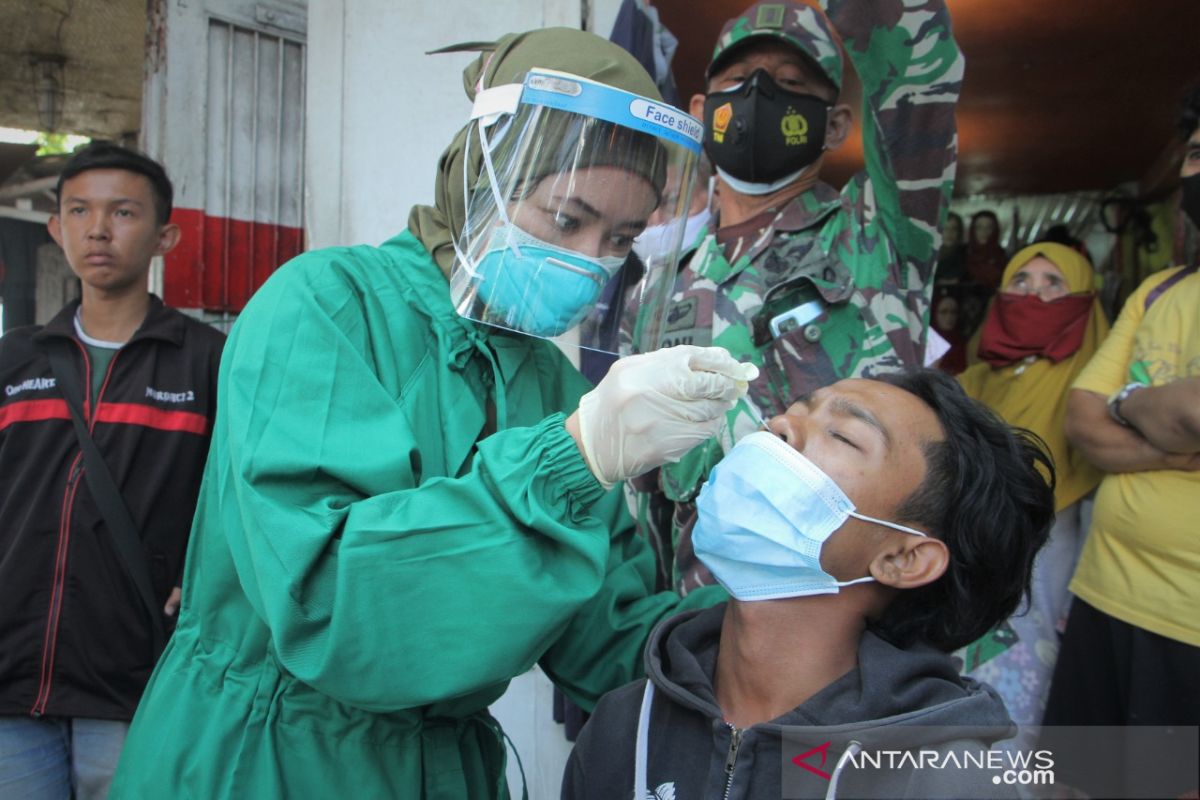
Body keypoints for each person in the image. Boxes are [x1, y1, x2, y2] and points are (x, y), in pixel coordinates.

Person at [110, 29, 757, 798]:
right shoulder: (324, 306)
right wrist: (567, 464)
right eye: (565, 218)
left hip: (441, 770)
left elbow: (601, 630)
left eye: (618, 239)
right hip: (264, 757)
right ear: (477, 178)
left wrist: (782, 619)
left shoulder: (550, 384)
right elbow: (332, 608)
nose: (589, 259)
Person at [562, 369, 1056, 799]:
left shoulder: (943, 783)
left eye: (842, 436)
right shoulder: (624, 727)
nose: (778, 426)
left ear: (903, 558)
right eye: (793, 410)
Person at [627, 0, 965, 594]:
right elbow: (644, 489)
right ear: (703, 113)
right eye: (737, 83)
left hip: (854, 619)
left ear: (834, 125)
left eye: (789, 85)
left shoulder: (879, 235)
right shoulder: (657, 288)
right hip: (702, 624)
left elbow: (917, 79)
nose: (758, 97)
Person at [0, 142, 225, 798]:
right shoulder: (15, 361)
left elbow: (238, 494)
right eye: (79, 211)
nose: (98, 229)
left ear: (165, 236)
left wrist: (206, 575)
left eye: (122, 213)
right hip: (12, 681)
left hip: (137, 680)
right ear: (56, 228)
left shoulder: (206, 364)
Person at [1040, 89, 1200, 799]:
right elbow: (1082, 422)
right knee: (1088, 784)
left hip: (1188, 623)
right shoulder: (1160, 292)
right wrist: (1158, 426)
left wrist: (1129, 405)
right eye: (1196, 154)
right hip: (1107, 595)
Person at [953, 243, 1108, 745]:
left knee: (1036, 654)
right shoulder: (974, 378)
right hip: (972, 551)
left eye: (1053, 284)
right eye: (1022, 281)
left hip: (1057, 545)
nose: (1034, 295)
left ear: (1084, 298)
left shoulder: (1094, 386)